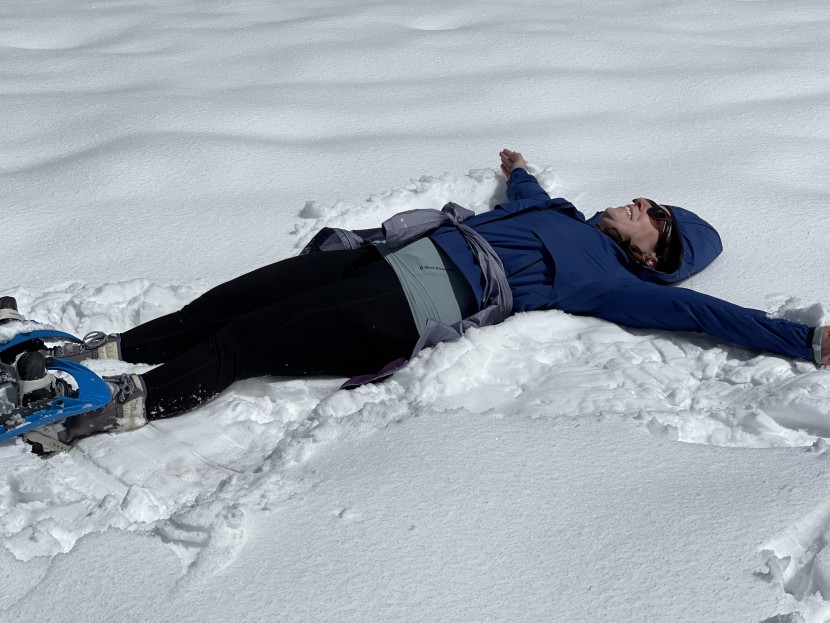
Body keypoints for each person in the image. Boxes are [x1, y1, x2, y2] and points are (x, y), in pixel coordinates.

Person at [15, 149, 830, 451]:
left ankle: (101, 409)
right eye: (648, 199)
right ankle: (89, 355)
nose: (639, 204)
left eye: (655, 216)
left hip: (405, 310)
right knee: (221, 304)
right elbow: (532, 190)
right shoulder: (555, 212)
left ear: (655, 252)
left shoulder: (615, 282)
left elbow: (707, 316)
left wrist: (805, 342)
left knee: (249, 342)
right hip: (371, 261)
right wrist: (517, 170)